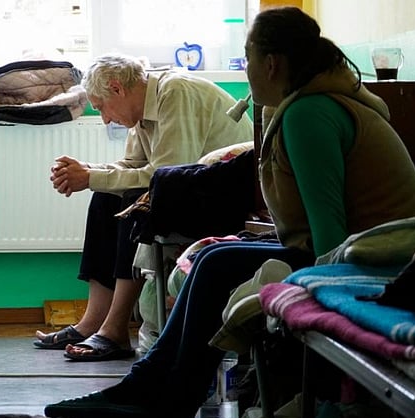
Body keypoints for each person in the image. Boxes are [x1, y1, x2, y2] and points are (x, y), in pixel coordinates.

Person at [44, 6, 415, 418]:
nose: (244, 72)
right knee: (213, 256)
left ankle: (165, 406)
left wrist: (311, 299)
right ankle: (148, 391)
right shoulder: (308, 106)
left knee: (216, 263)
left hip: (375, 263)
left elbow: (329, 242)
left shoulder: (310, 114)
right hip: (360, 251)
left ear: (271, 64)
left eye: (246, 61)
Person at [34, 53, 254, 361]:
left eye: (101, 107)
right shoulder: (141, 109)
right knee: (105, 197)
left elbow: (167, 176)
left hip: (226, 198)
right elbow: (133, 165)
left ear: (117, 89)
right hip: (190, 190)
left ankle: (115, 330)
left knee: (134, 198)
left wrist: (91, 176)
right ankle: (93, 322)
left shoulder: (175, 92)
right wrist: (87, 172)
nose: (105, 119)